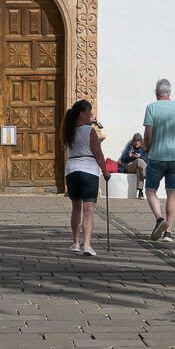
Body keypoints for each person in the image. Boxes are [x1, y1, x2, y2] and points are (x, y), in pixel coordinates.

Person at [143, 78, 175, 243]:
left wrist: (147, 148)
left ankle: (159, 219)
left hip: (156, 156)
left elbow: (148, 134)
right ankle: (168, 232)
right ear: (169, 93)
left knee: (150, 190)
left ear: (156, 93)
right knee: (171, 193)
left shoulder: (152, 108)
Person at [61, 99, 110, 257]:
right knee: (89, 210)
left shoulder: (67, 130)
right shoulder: (89, 131)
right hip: (88, 169)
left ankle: (75, 242)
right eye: (89, 112)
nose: (91, 116)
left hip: (72, 170)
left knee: (76, 208)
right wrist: (106, 171)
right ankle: (87, 245)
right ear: (82, 114)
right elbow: (98, 153)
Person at [118, 133, 147, 199]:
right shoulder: (129, 147)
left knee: (139, 169)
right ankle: (146, 174)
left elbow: (147, 160)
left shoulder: (143, 149)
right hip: (130, 166)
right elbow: (123, 159)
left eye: (138, 141)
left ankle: (140, 192)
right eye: (135, 141)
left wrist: (141, 156)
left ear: (141, 141)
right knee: (139, 161)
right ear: (133, 141)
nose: (136, 143)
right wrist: (130, 156)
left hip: (140, 168)